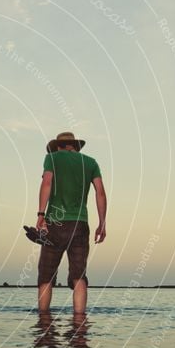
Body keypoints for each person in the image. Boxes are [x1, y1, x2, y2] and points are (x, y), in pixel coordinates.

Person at [36, 132, 107, 314]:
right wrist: (102, 223)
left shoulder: (52, 158)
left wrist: (41, 214)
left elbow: (47, 183)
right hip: (80, 224)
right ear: (74, 146)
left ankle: (43, 321)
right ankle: (79, 321)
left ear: (59, 146)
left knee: (46, 276)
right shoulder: (90, 162)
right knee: (79, 276)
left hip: (55, 224)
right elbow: (100, 192)